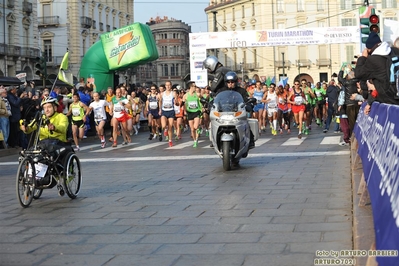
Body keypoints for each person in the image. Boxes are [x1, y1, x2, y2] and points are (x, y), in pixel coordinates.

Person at [354, 31, 399, 114]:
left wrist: (363, 57)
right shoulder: (394, 51)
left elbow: (358, 74)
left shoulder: (373, 60)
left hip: (390, 101)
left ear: (369, 49)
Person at [218, 71, 255, 148]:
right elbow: (216, 99)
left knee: (246, 123)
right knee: (213, 123)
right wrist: (210, 105)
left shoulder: (241, 91)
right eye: (228, 82)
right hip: (224, 113)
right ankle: (214, 139)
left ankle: (251, 140)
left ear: (235, 82)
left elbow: (246, 99)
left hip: (237, 113)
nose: (230, 83)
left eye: (232, 81)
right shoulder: (221, 91)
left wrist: (249, 104)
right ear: (226, 82)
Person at [183, 81, 202, 147]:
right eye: (194, 86)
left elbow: (202, 101)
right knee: (192, 129)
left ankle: (198, 129)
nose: (195, 87)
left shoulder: (198, 94)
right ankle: (195, 141)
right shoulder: (185, 95)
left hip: (197, 111)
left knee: (195, 126)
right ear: (191, 87)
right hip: (190, 112)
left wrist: (202, 107)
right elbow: (184, 104)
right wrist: (185, 111)